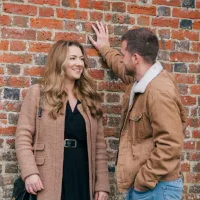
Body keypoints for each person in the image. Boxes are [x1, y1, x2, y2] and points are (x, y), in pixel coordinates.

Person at [89, 22, 187, 200]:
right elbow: (121, 66)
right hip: (149, 188)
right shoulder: (142, 79)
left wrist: (142, 182)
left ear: (135, 59)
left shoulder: (158, 92)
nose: (121, 58)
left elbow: (170, 145)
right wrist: (104, 48)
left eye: (123, 54)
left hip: (156, 189)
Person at [15, 40, 110, 200]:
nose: (79, 63)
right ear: (59, 61)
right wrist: (30, 172)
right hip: (48, 174)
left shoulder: (90, 99)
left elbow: (99, 146)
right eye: (73, 58)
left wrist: (102, 184)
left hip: (82, 173)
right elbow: (23, 136)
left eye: (81, 59)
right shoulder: (39, 93)